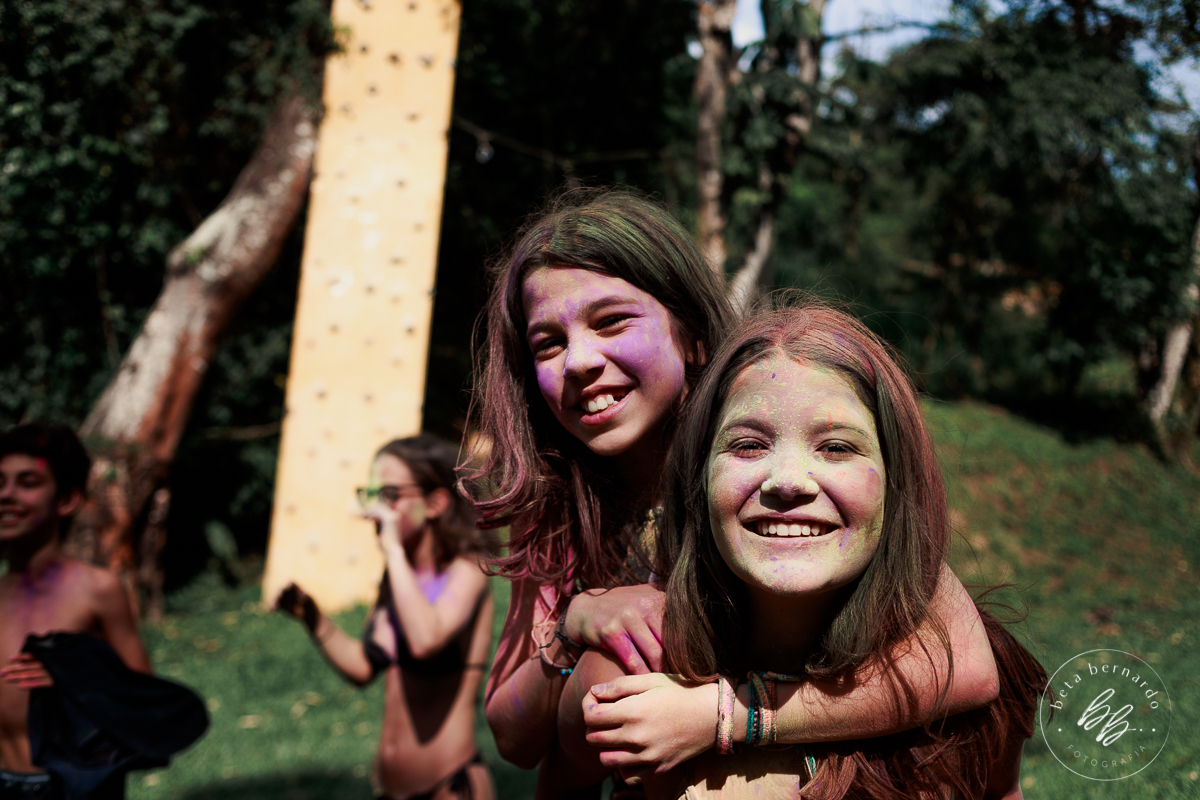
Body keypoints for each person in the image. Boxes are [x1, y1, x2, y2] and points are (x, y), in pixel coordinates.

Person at [467, 188, 1003, 797]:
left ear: (694, 335)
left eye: (611, 321)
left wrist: (728, 715)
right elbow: (512, 737)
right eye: (548, 343)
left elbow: (970, 665)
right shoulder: (560, 499)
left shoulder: (757, 464)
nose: (578, 361)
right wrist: (574, 623)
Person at [581, 303, 1046, 799]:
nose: (788, 481)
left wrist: (730, 716)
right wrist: (569, 623)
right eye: (748, 445)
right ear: (698, 479)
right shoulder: (636, 666)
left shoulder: (971, 693)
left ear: (897, 484)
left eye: (836, 448)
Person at [275, 434, 494, 800]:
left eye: (390, 495)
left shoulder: (468, 571)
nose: (374, 509)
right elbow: (364, 668)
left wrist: (392, 549)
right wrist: (314, 619)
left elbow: (425, 640)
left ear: (435, 503)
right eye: (372, 494)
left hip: (449, 786)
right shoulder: (398, 577)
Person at [0, 424, 153, 799]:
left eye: (28, 482)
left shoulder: (96, 591)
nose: (6, 494)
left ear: (67, 500)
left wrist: (75, 680)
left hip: (75, 788)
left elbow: (148, 706)